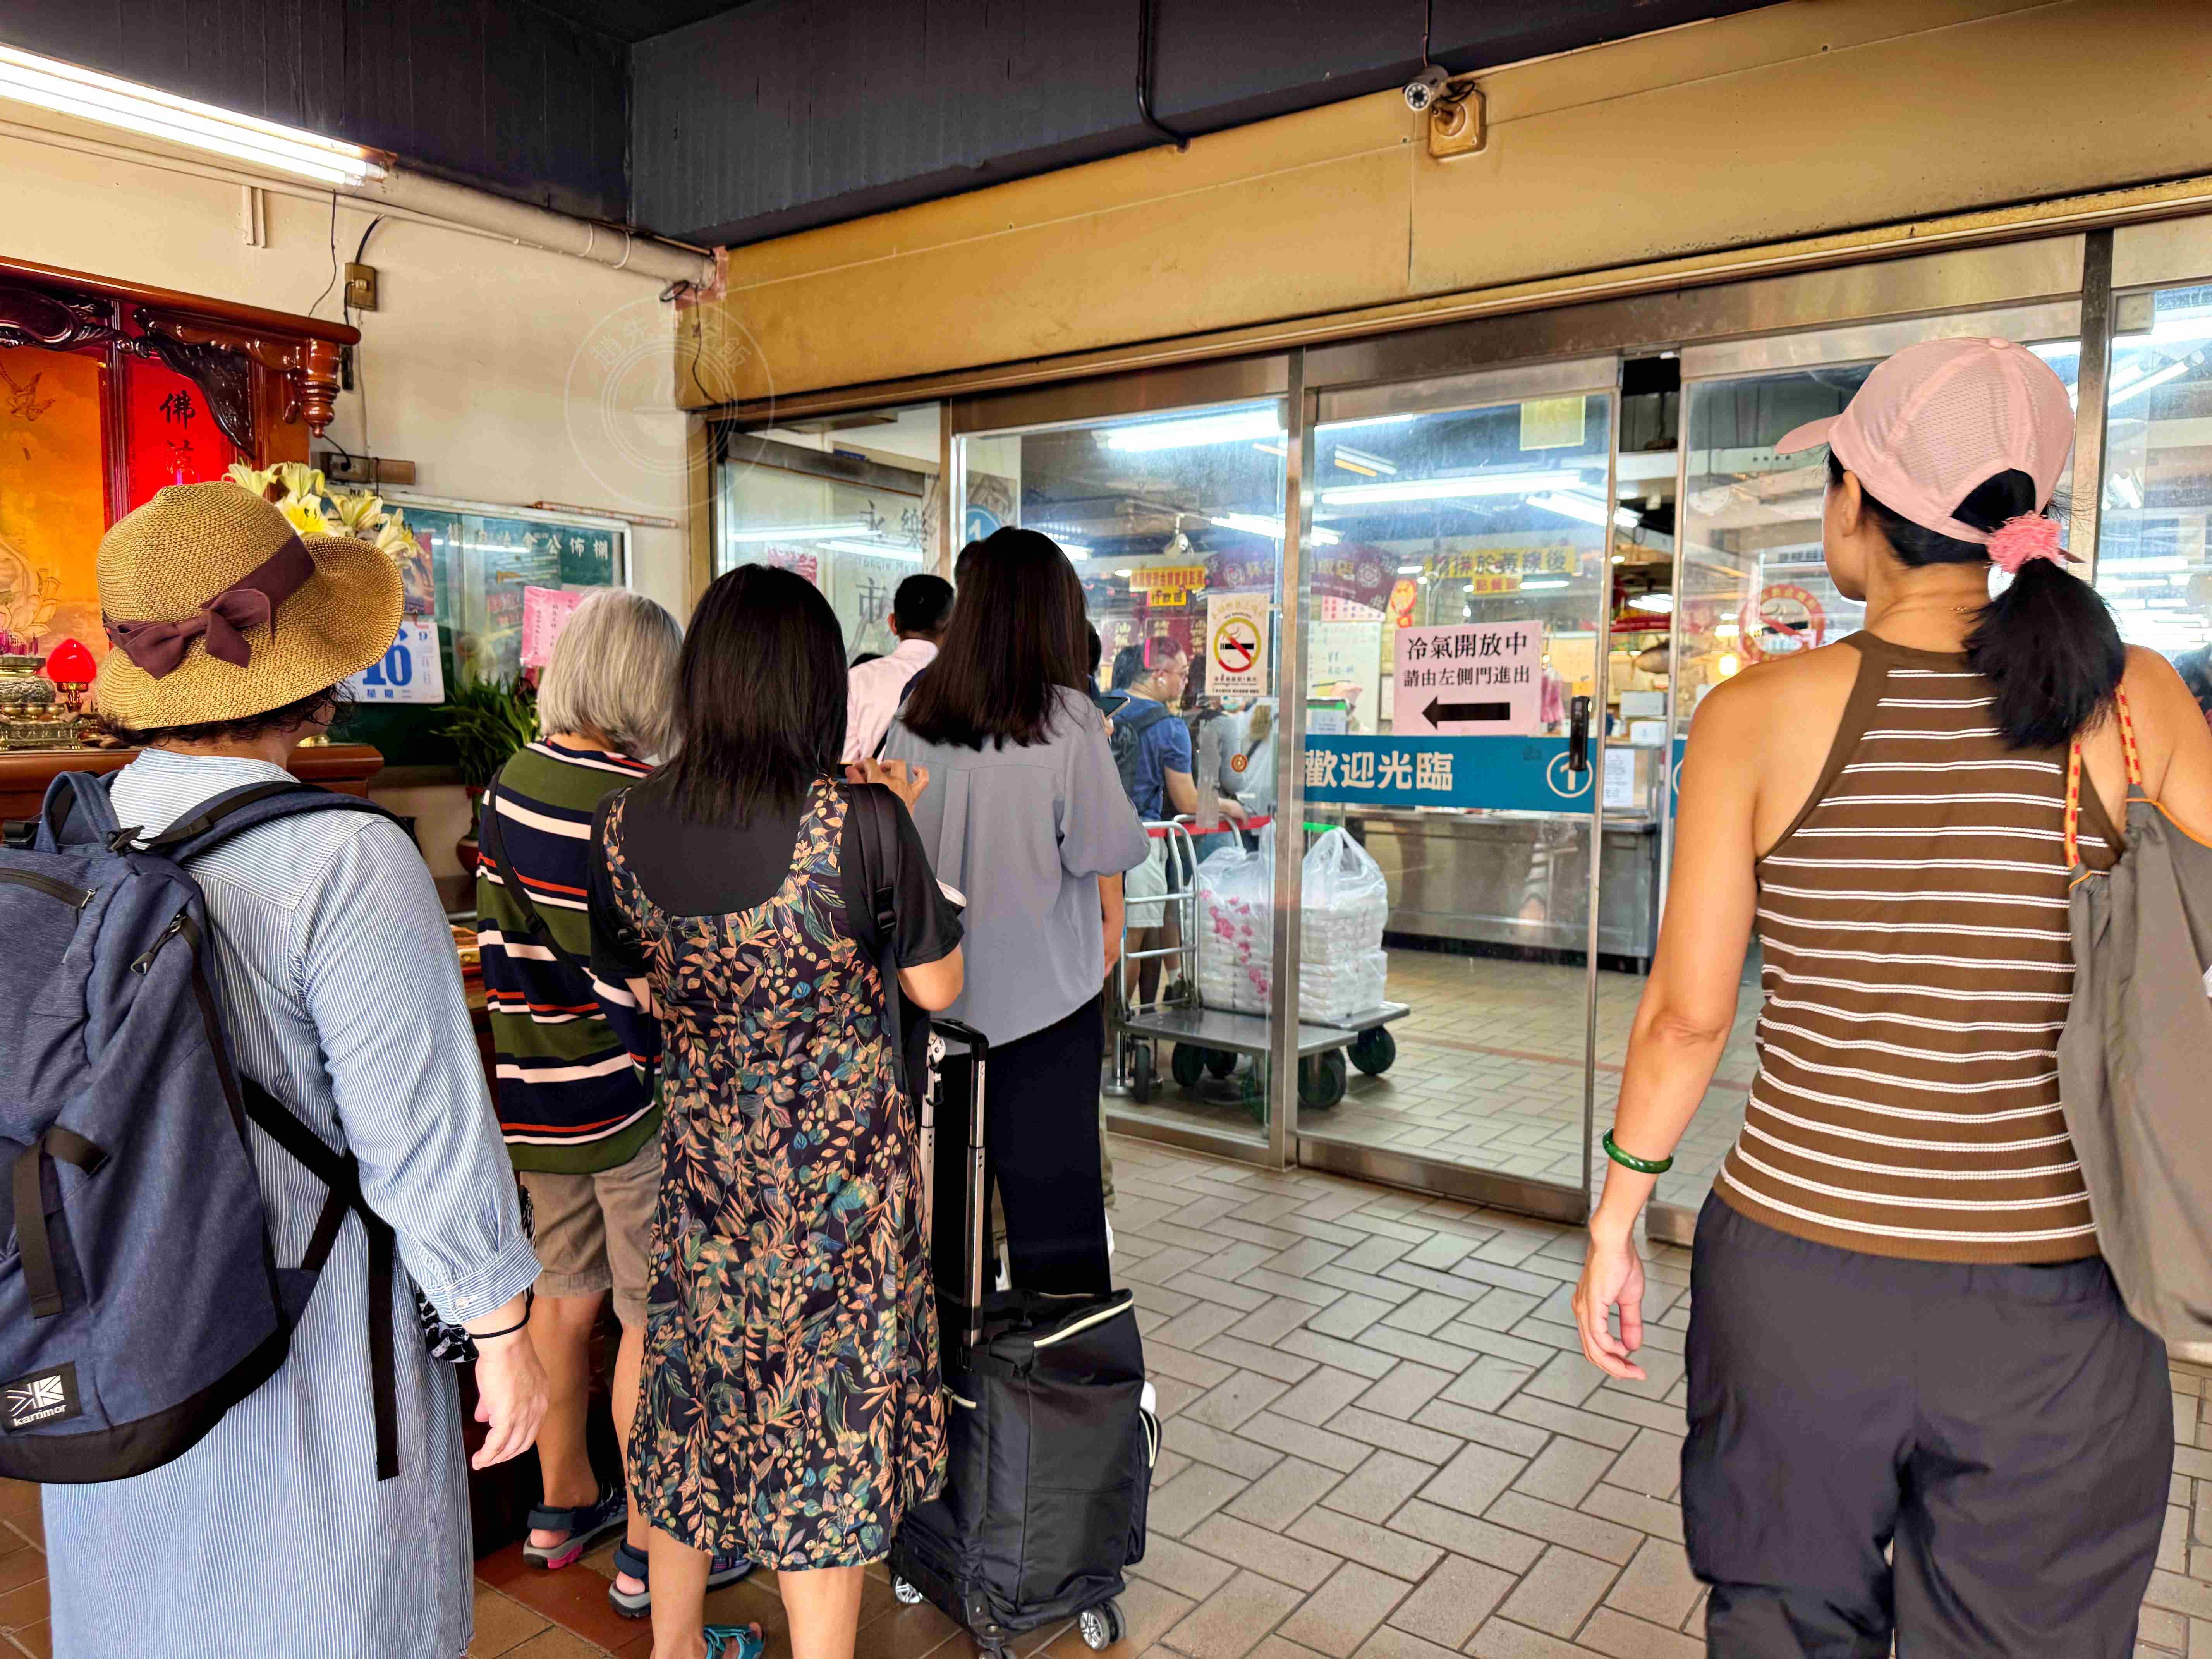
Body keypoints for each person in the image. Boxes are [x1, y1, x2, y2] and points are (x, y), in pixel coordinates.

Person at [1570, 338, 2212, 1656]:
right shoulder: (2126, 699)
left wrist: (1617, 1216)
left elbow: (1688, 1017)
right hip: (2060, 1310)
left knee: (1786, 1624)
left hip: (1801, 1285)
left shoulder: (1757, 713)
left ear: (1858, 511)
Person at [46, 481, 546, 1657]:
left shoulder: (74, 839)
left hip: (118, 1350)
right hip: (302, 1343)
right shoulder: (342, 860)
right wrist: (502, 1332)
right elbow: (422, 1140)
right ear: (304, 674)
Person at [590, 564, 964, 1659]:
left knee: (695, 1406)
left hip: (707, 1176)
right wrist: (902, 828)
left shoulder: (623, 824)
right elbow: (938, 988)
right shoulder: (862, 821)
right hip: (840, 1197)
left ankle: (671, 1645)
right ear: (812, 685)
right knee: (824, 1437)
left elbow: (647, 986)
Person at [477, 589, 747, 1618]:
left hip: (534, 1091)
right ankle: (648, 1543)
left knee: (563, 1292)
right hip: (632, 1101)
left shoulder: (513, 780)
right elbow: (672, 970)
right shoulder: (643, 801)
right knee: (652, 1318)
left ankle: (561, 1502)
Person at [885, 528, 1147, 1293]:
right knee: (1055, 1231)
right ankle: (1057, 1392)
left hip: (935, 1010)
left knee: (946, 1225)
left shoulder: (916, 714)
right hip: (1045, 1015)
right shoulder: (1066, 720)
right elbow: (1102, 848)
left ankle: (954, 1389)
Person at [1103, 638, 1197, 1009]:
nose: (1185, 683)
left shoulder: (1099, 706)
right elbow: (1188, 800)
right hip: (1141, 841)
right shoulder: (1170, 728)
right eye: (1183, 674)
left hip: (1087, 839)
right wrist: (1226, 805)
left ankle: (1099, 1039)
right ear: (1159, 675)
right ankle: (1118, 1033)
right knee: (1131, 942)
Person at [843, 572, 954, 761]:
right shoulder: (960, 681)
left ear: (893, 623)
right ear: (951, 628)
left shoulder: (857, 678)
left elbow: (848, 764)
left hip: (876, 789)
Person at [1182, 657, 1249, 864]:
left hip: (1182, 828)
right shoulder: (1223, 724)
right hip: (1216, 824)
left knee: (1186, 892)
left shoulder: (1177, 719)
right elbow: (1233, 781)